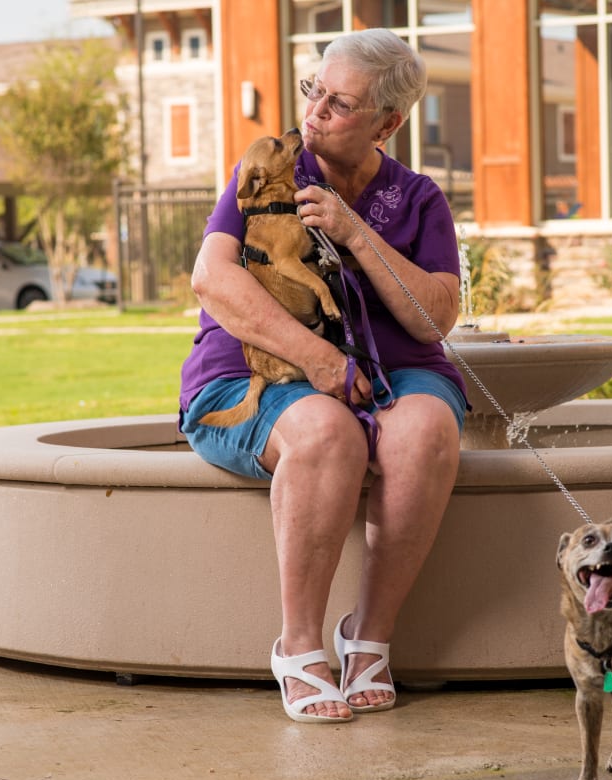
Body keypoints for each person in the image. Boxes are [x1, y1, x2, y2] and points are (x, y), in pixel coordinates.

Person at [178, 29, 466, 723]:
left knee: (424, 429)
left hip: (396, 372)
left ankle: (368, 638)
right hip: (255, 373)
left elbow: (436, 319)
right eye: (315, 91)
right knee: (327, 433)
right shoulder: (270, 169)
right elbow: (210, 278)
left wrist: (357, 235)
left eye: (339, 104)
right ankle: (299, 645)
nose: (314, 112)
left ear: (388, 124)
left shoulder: (418, 199)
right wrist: (318, 361)